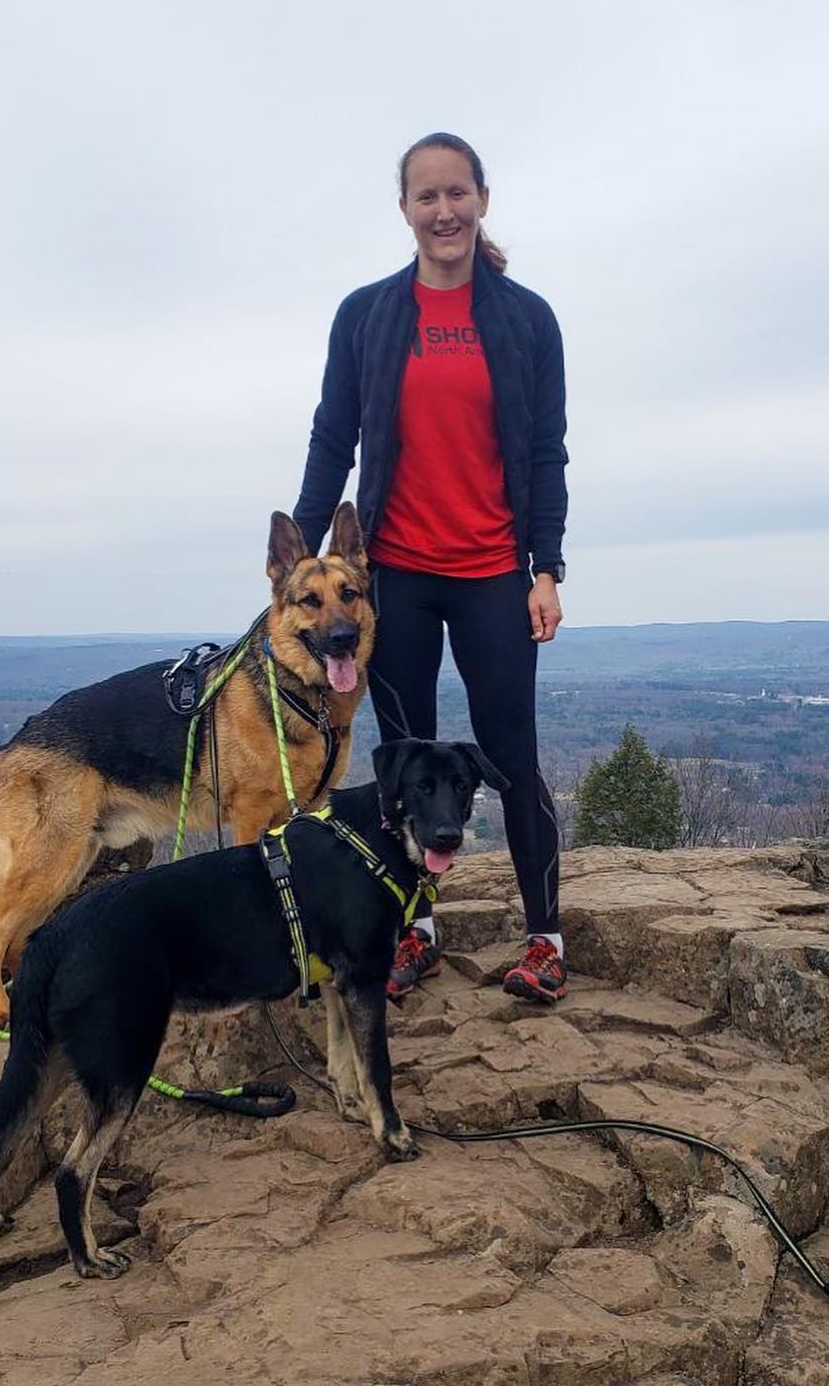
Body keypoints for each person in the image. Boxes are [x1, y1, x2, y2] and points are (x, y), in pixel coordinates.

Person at [293, 131, 569, 1004]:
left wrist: (547, 567)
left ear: (482, 198)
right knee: (401, 762)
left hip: (493, 572)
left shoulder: (526, 319)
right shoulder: (368, 315)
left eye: (458, 193)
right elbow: (334, 437)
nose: (443, 210)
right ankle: (414, 931)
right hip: (396, 578)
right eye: (426, 196)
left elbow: (546, 453)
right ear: (405, 208)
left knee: (511, 757)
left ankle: (545, 940)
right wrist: (301, 561)